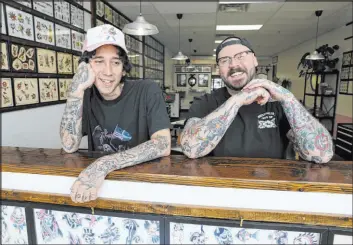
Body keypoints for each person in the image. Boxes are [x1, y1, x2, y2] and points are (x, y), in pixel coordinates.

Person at [60, 24, 171, 203]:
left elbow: (163, 144)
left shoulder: (147, 90)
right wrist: (76, 89)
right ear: (86, 66)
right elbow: (69, 144)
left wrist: (104, 164)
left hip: (142, 186)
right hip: (102, 189)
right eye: (99, 61)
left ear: (124, 67)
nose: (108, 71)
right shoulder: (85, 95)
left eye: (116, 62)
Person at [180, 36, 333, 163]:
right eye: (225, 60)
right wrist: (237, 100)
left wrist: (288, 98)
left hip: (270, 190)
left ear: (254, 60)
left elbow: (322, 154)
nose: (233, 64)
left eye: (240, 56)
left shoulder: (279, 104)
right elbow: (190, 149)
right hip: (220, 189)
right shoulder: (205, 102)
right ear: (219, 69)